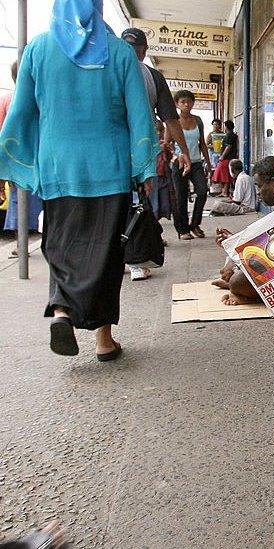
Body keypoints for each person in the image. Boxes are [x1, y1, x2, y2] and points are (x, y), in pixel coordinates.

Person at [0, 0, 158, 360]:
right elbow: (139, 116)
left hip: (58, 167)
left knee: (61, 244)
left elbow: (23, 112)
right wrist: (145, 168)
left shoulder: (38, 50)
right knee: (106, 251)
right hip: (110, 168)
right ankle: (104, 341)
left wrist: (21, 163)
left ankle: (61, 313)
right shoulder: (120, 53)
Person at [120, 26, 191, 280]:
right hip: (123, 148)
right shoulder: (115, 72)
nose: (130, 52)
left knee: (132, 201)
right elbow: (170, 119)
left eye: (134, 48)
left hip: (132, 149)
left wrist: (183, 151)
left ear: (144, 50)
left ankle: (131, 258)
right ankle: (128, 258)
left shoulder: (150, 77)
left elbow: (171, 118)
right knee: (127, 201)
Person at [212, 156, 274, 305]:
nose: (258, 193)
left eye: (259, 186)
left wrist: (235, 263)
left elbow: (270, 254)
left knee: (237, 281)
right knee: (240, 270)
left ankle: (247, 293)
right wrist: (235, 242)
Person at [1, 60, 43, 249]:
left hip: (18, 157)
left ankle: (21, 244)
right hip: (35, 155)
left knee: (19, 200)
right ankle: (24, 244)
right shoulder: (37, 96)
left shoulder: (10, 98)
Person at [170, 89, 212, 240]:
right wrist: (175, 156)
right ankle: (183, 229)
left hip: (196, 164)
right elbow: (167, 144)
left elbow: (202, 144)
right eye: (183, 102)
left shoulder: (198, 120)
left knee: (202, 191)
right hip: (179, 164)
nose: (186, 105)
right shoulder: (173, 121)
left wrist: (209, 164)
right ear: (177, 104)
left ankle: (194, 224)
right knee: (180, 197)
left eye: (189, 101)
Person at [211, 120, 239, 198]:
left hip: (227, 158)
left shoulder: (229, 135)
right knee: (225, 174)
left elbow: (228, 147)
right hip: (230, 157)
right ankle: (224, 191)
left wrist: (222, 156)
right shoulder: (233, 135)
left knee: (224, 175)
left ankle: (225, 192)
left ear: (226, 127)